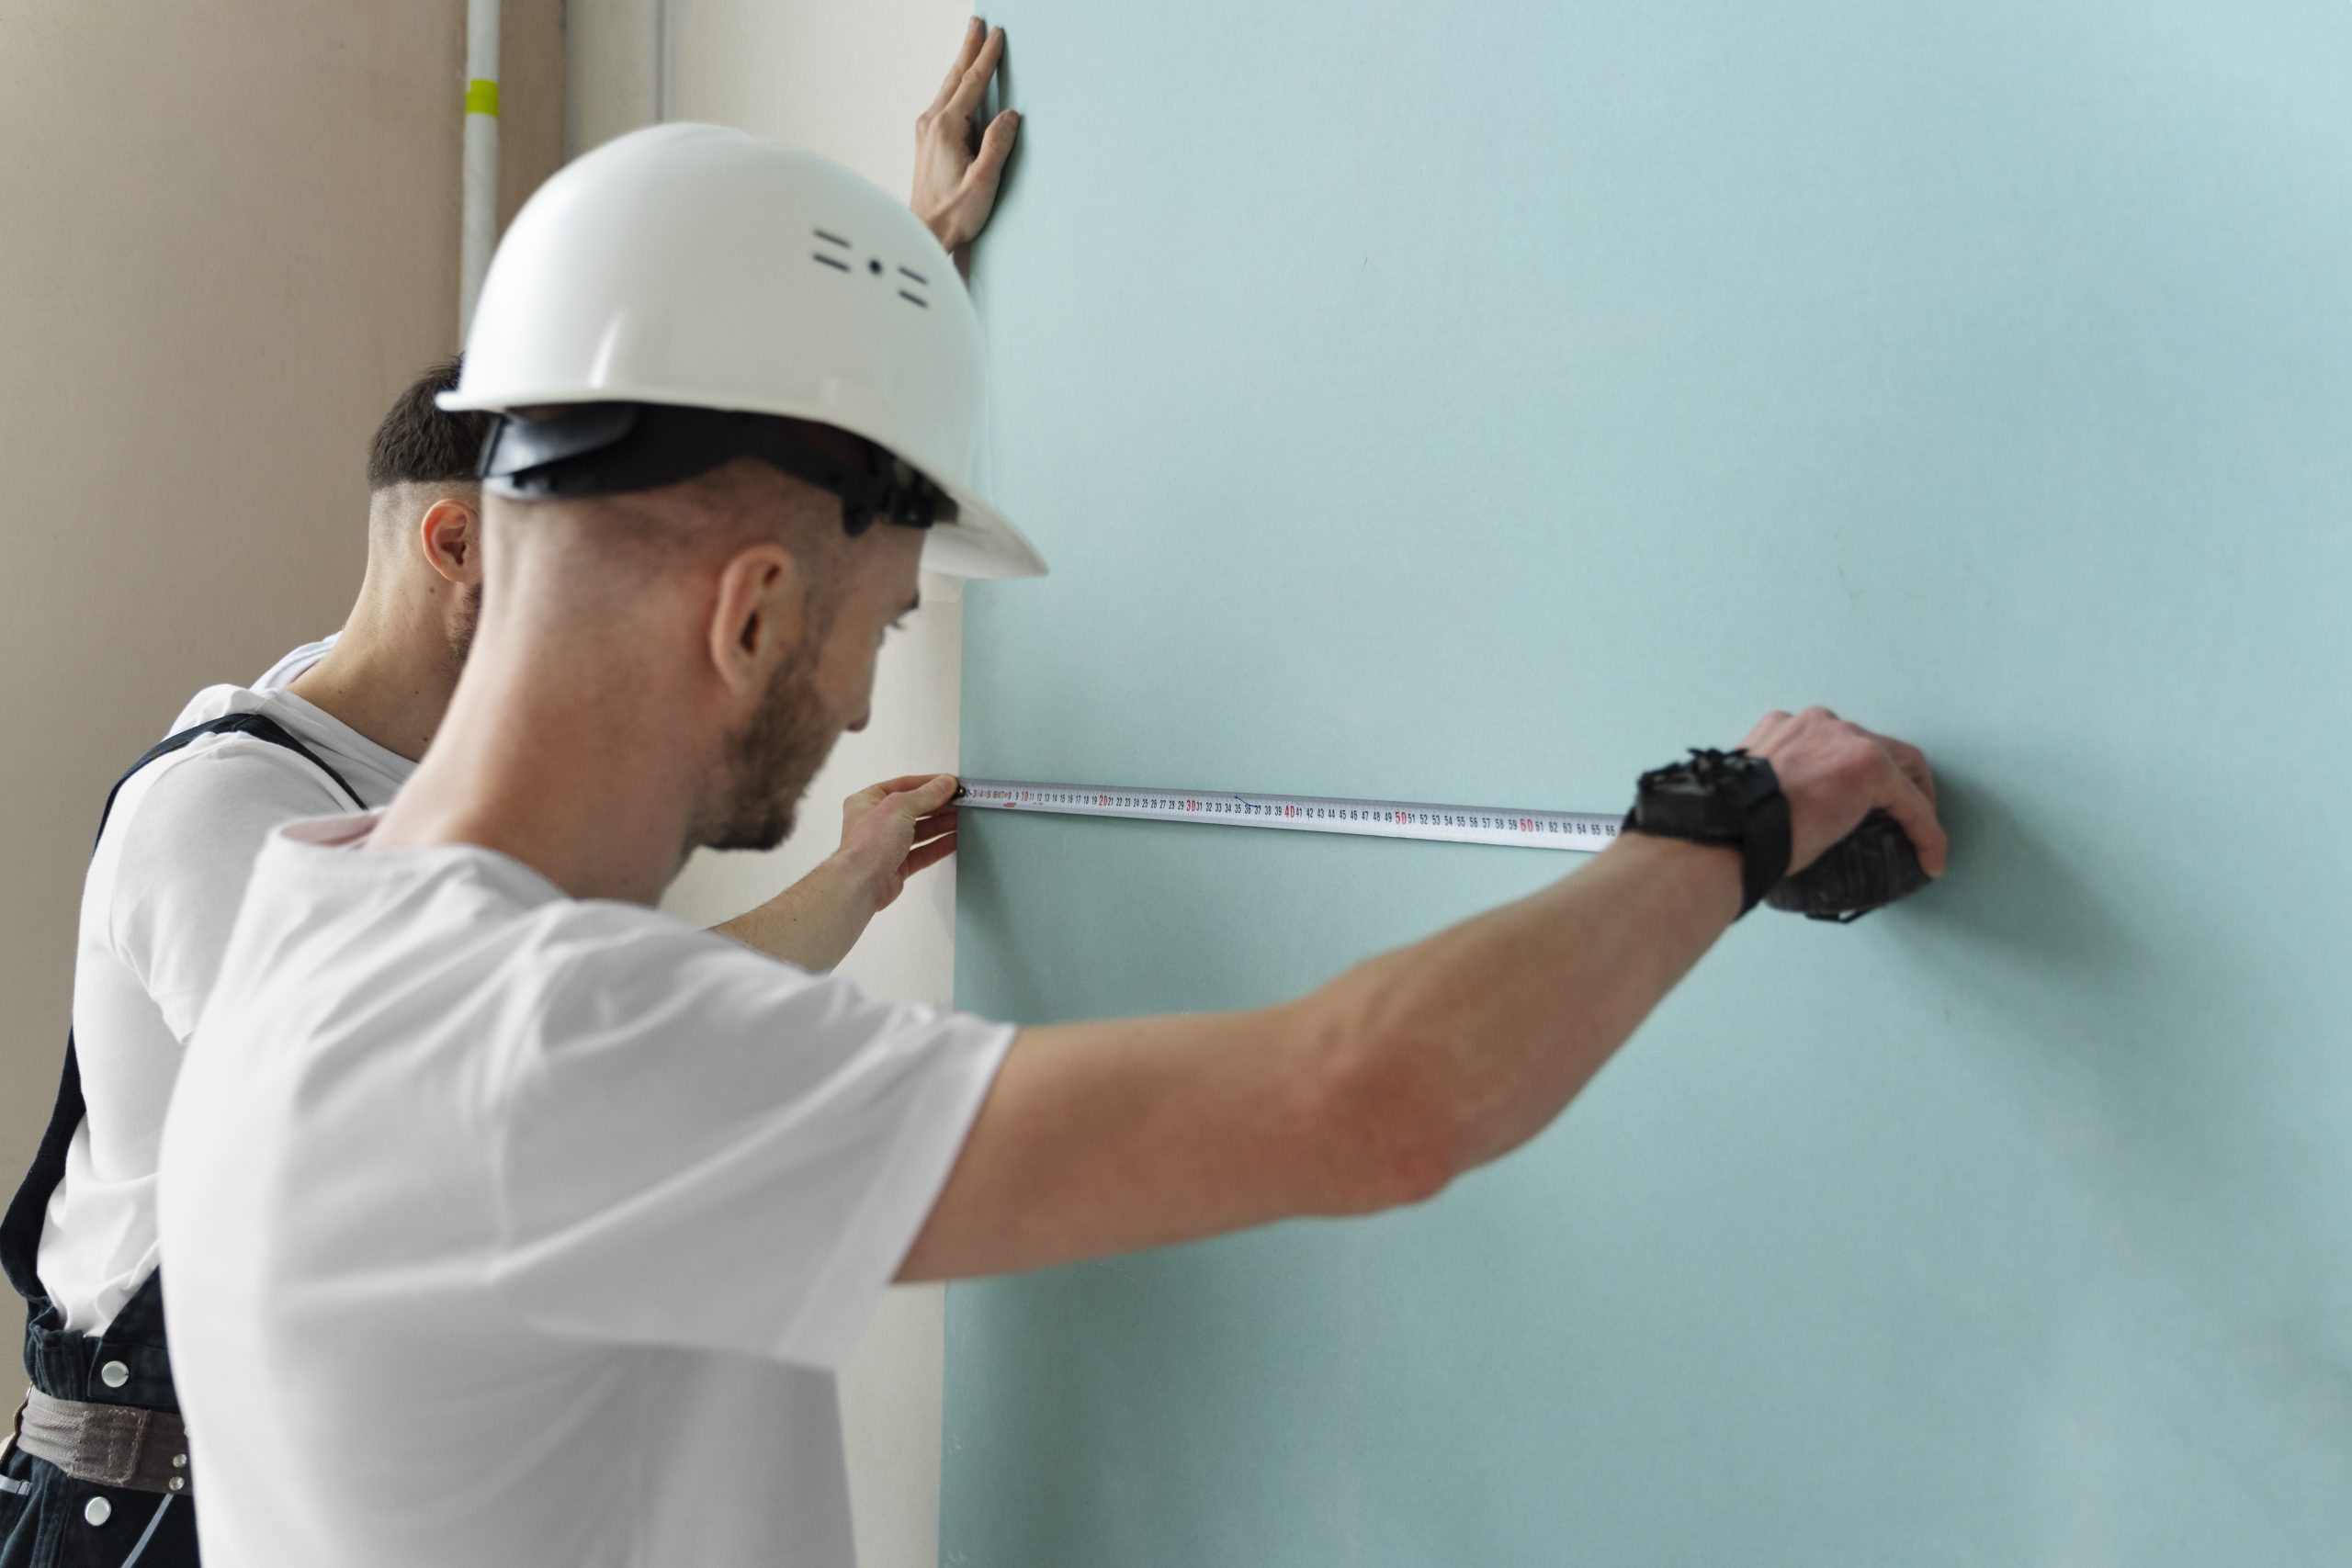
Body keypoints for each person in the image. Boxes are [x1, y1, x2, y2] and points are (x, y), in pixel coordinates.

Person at [154, 56, 1948, 1568]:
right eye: (883, 625)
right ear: (754, 612)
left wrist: (889, 287)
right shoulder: (546, 1055)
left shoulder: (309, 918)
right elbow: (1373, 1101)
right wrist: (1731, 815)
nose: (866, 702)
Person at [0, 22, 1021, 1565]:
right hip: (144, 1514)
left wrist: (891, 286)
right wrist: (844, 885)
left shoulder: (394, 773)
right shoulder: (233, 824)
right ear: (460, 545)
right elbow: (535, 1076)